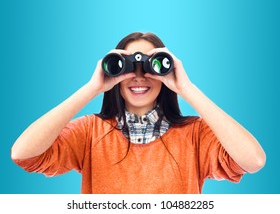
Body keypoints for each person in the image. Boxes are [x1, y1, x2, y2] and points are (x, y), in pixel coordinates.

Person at [11, 32, 266, 194]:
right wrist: (92, 88)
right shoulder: (90, 132)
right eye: (129, 66)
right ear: (114, 73)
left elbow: (253, 160)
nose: (139, 76)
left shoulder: (194, 135)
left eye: (149, 66)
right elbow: (23, 153)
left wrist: (186, 88)